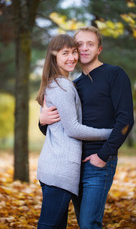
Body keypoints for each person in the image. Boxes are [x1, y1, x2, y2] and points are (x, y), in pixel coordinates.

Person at [39, 26, 134, 229]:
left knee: (89, 223)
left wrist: (103, 156)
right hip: (72, 165)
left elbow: (126, 121)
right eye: (78, 44)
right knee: (82, 222)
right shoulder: (74, 84)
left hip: (98, 162)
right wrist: (42, 121)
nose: (83, 49)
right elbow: (61, 129)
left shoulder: (114, 75)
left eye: (89, 44)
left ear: (99, 49)